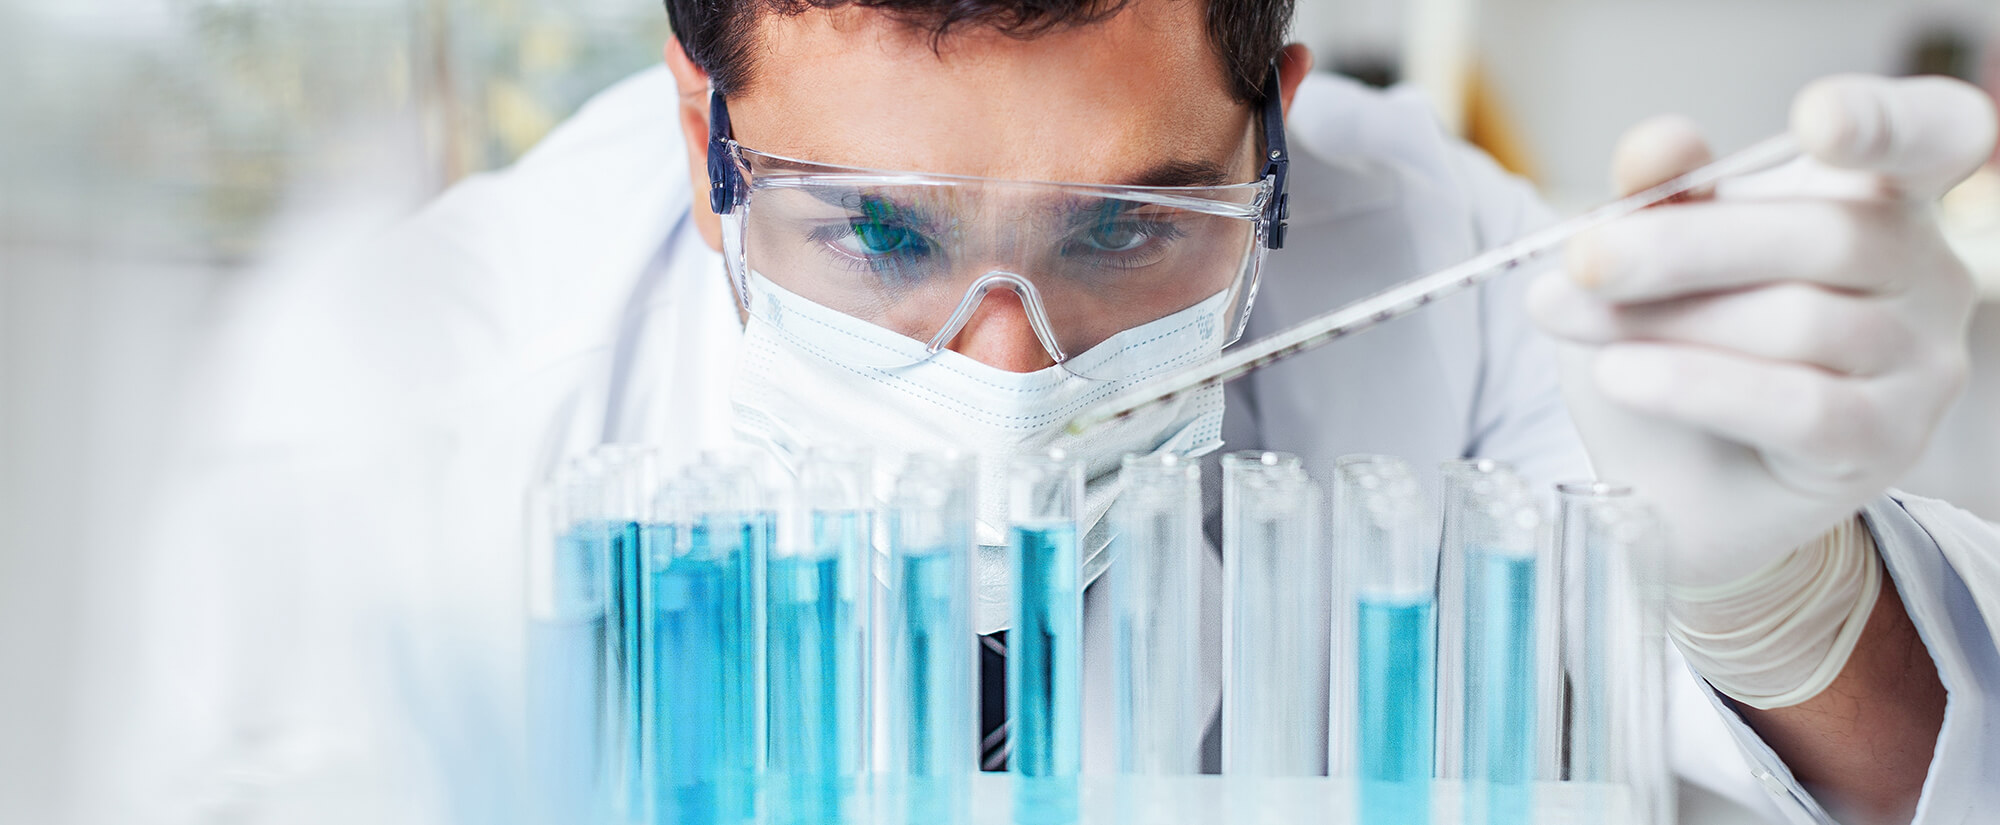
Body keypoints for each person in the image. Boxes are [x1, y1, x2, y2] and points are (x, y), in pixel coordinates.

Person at [115, 1, 1998, 824]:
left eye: (1121, 226)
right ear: (703, 138)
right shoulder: (438, 408)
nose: (1009, 375)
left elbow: (1907, 785)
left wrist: (1788, 606)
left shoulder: (1458, 275)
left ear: (1278, 119)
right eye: (875, 231)